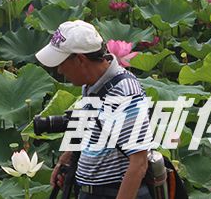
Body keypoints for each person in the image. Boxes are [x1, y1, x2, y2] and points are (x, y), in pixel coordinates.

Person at [36, 20, 150, 199]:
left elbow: (139, 164)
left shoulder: (124, 92)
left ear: (80, 59)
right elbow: (87, 125)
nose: (59, 69)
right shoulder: (92, 84)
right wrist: (64, 161)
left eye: (61, 62)